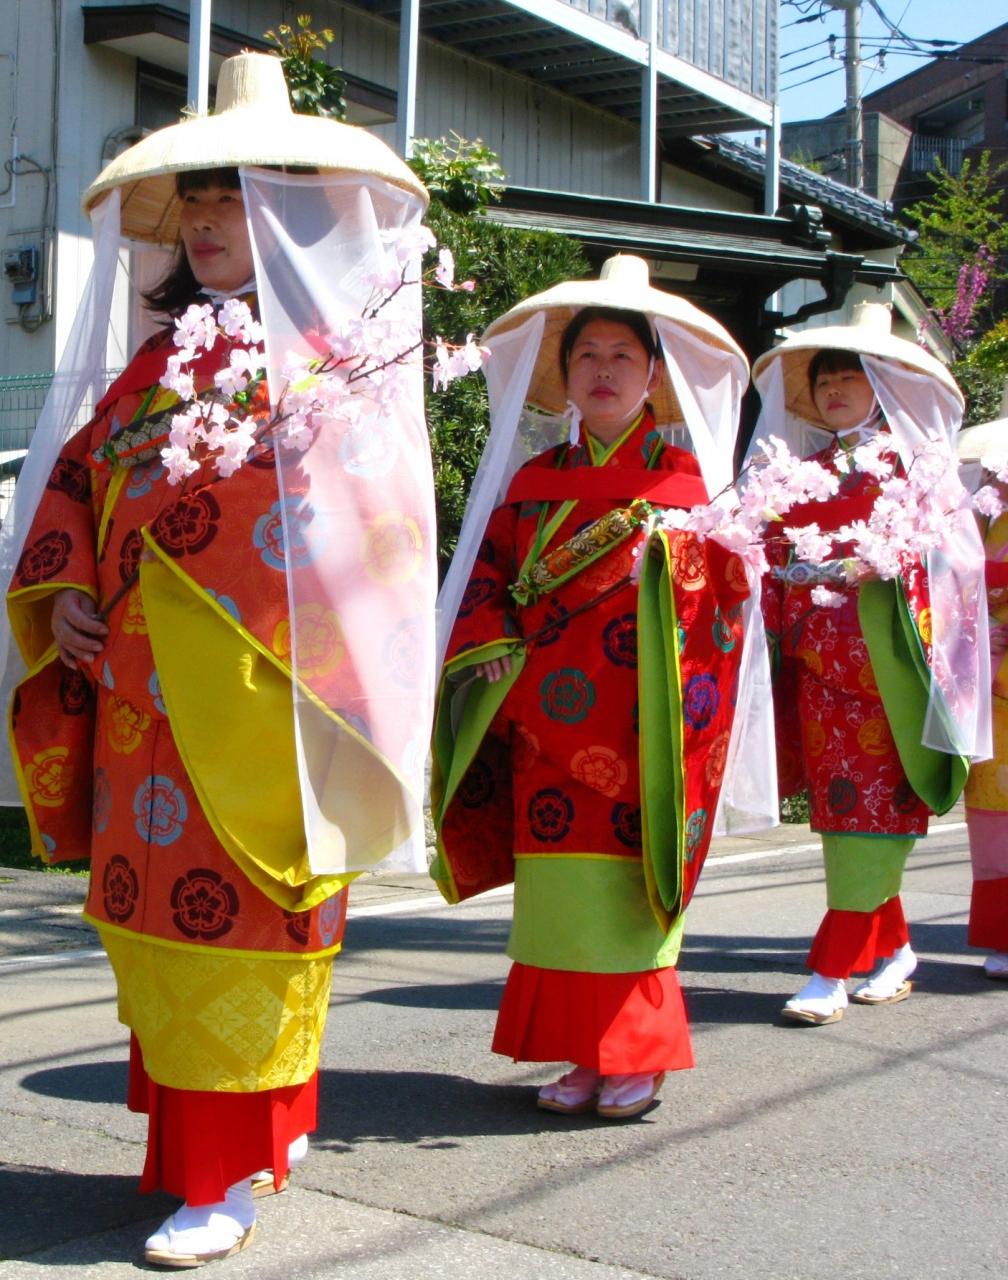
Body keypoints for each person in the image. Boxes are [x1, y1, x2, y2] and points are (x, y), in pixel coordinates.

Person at [1, 53, 435, 1266]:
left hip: (265, 694)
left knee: (246, 915)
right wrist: (66, 591)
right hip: (139, 700)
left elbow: (373, 531)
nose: (204, 221)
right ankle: (232, 1141)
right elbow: (75, 480)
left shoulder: (334, 363)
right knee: (157, 919)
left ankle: (221, 1171)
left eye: (234, 197)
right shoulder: (155, 365)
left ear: (293, 210)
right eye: (194, 199)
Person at [431, 255, 776, 1119]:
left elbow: (728, 599)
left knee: (628, 894)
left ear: (654, 375)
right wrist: (488, 643)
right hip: (543, 724)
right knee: (561, 898)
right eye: (587, 355)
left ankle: (636, 1054)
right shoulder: (534, 483)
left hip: (642, 721)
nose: (604, 370)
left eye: (624, 355)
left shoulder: (691, 487)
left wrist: (681, 559)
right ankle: (582, 1054)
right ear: (565, 374)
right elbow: (486, 576)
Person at [751, 304, 988, 1026]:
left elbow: (951, 566)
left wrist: (879, 564)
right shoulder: (800, 475)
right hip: (818, 669)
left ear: (882, 386)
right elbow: (767, 556)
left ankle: (829, 971)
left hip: (889, 670)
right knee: (846, 817)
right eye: (823, 379)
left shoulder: (918, 473)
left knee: (871, 815)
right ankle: (895, 951)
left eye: (848, 377)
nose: (832, 390)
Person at [957, 414, 1008, 979]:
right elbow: (952, 589)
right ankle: (1002, 935)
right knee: (993, 815)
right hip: (991, 683)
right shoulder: (980, 519)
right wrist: (975, 626)